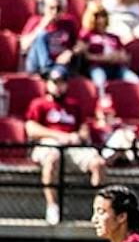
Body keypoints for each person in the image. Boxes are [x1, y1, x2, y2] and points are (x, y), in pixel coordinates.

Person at [26, 66, 106, 224]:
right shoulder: (39, 104)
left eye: (62, 82)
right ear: (48, 83)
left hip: (72, 146)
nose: (58, 86)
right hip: (48, 143)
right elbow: (31, 129)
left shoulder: (74, 105)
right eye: (55, 82)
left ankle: (100, 209)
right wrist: (60, 136)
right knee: (52, 158)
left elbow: (84, 130)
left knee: (99, 163)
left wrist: (78, 136)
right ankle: (52, 206)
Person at [79, 0, 137, 89]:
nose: (101, 20)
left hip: (116, 67)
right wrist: (104, 58)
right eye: (97, 16)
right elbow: (85, 57)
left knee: (134, 81)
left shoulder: (113, 37)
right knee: (100, 80)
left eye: (103, 16)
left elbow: (125, 56)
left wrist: (120, 56)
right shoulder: (86, 36)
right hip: (97, 68)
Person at [19, 0, 80, 76]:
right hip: (36, 64)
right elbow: (24, 46)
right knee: (41, 35)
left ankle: (50, 71)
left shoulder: (69, 22)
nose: (54, 12)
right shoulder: (35, 21)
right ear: (44, 8)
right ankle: (47, 68)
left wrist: (70, 52)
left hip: (59, 64)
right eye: (51, 8)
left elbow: (80, 45)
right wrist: (41, 26)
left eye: (58, 9)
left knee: (58, 74)